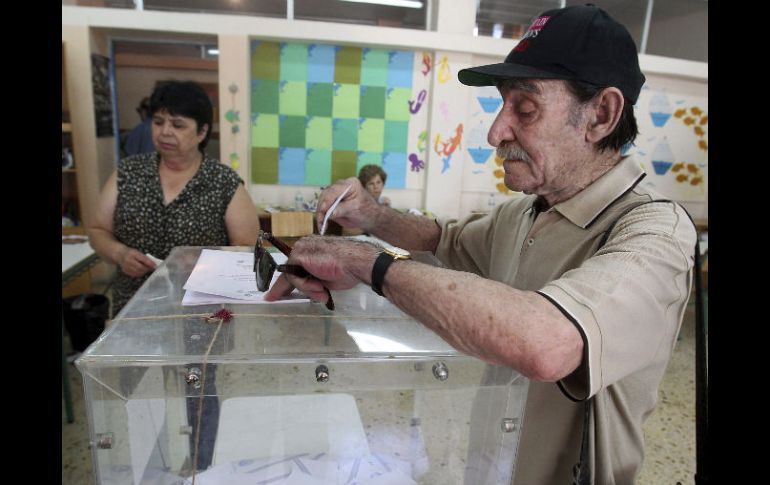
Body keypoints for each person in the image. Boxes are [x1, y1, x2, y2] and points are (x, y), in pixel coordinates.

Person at [265, 5, 697, 484]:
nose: (496, 132)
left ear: (601, 114)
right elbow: (443, 241)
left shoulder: (653, 233)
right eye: (501, 104)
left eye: (525, 109)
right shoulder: (526, 210)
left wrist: (368, 259)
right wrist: (371, 214)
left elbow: (548, 344)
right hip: (494, 464)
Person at [89, 80, 259, 472]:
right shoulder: (129, 173)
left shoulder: (222, 183)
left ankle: (201, 468)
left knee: (199, 391)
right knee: (133, 390)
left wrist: (202, 258)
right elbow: (98, 229)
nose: (165, 132)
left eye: (178, 124)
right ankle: (141, 467)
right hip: (137, 306)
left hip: (200, 311)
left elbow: (249, 248)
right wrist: (119, 252)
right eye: (159, 121)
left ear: (202, 133)